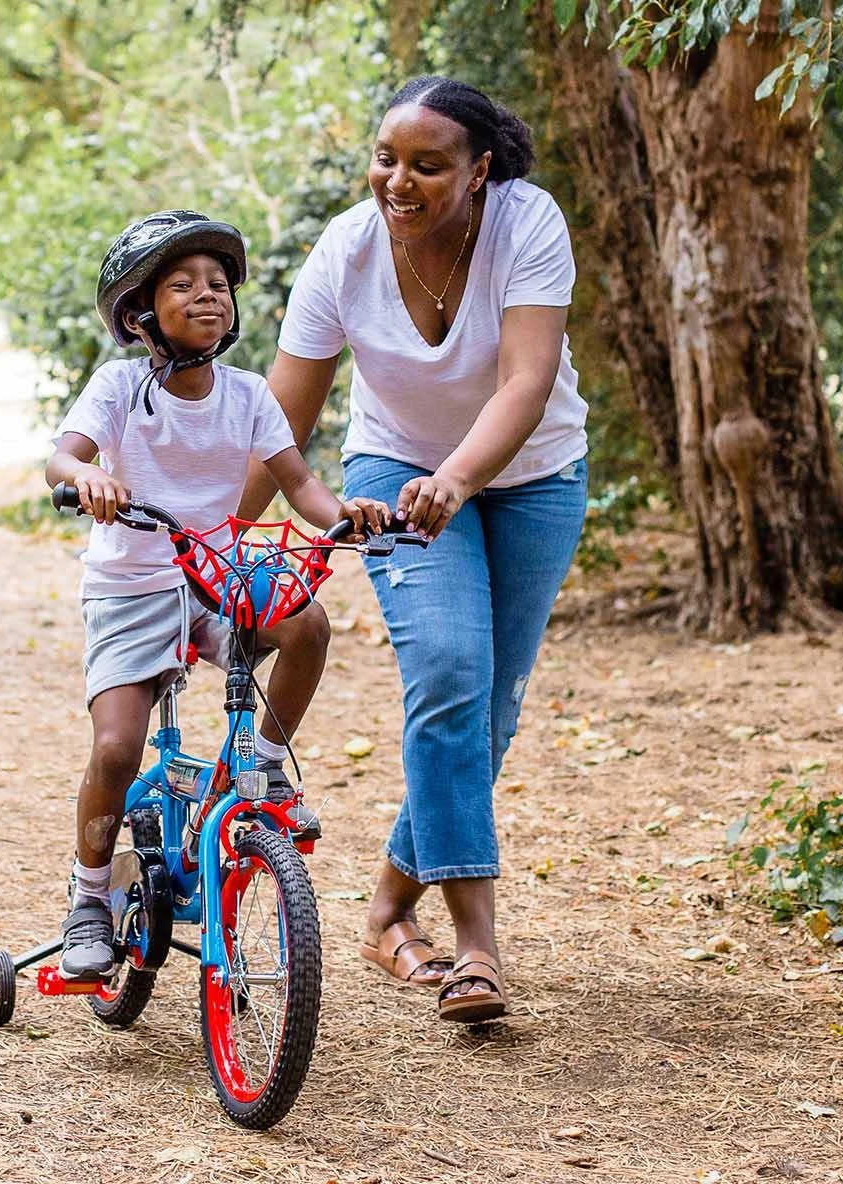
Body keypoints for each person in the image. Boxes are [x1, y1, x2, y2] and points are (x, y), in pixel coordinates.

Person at [239, 78, 589, 1023]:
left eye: (428, 164)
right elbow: (286, 411)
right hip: (394, 474)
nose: (399, 180)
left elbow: (527, 380)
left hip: (534, 476)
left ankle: (391, 911)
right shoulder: (345, 252)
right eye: (387, 158)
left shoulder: (527, 224)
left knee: (487, 715)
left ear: (478, 172)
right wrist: (218, 539)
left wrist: (462, 479)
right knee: (445, 669)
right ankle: (479, 949)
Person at [45, 210, 389, 981]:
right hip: (132, 585)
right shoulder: (119, 388)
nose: (209, 296)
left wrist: (351, 521)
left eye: (218, 283)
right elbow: (60, 459)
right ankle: (89, 897)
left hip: (215, 576)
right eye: (183, 285)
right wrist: (88, 476)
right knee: (114, 747)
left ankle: (262, 769)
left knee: (307, 624)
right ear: (141, 314)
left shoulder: (247, 395)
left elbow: (300, 485)